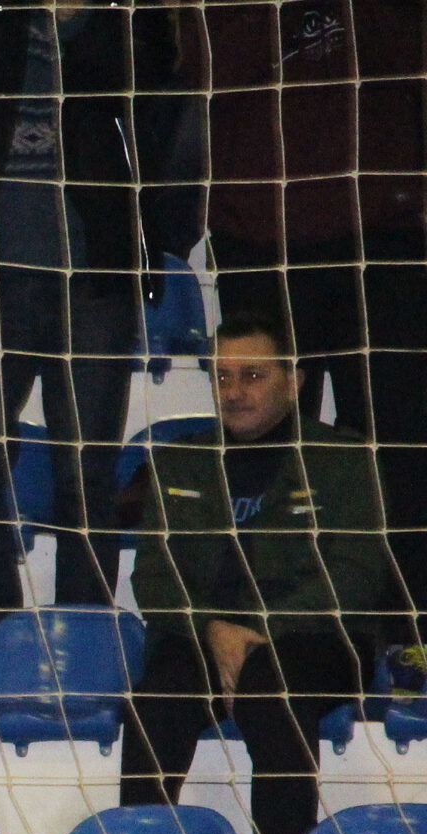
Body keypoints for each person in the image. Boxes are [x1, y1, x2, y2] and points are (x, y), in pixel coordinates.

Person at [0, 0, 202, 634]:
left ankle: (85, 638)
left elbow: (157, 99)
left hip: (94, 281)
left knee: (85, 472)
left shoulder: (128, 20)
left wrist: (75, 21)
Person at [119, 312, 401, 834]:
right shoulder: (179, 461)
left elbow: (351, 577)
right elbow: (154, 578)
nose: (234, 392)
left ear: (293, 381)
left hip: (315, 638)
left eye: (252, 375)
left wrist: (258, 629)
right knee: (154, 699)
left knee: (271, 689)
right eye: (222, 377)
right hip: (202, 636)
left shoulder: (344, 459)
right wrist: (213, 630)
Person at [200, 0, 427, 602]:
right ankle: (263, 617)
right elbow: (208, 76)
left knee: (393, 446)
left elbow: (408, 61)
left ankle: (402, 623)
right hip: (260, 241)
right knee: (263, 441)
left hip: (380, 238)